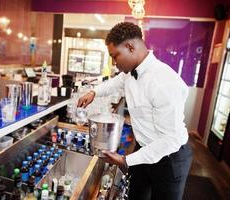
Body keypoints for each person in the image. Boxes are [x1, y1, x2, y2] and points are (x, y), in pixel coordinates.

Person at [77, 22, 192, 200]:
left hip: (169, 158)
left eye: (115, 56)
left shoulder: (163, 82)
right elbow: (116, 83)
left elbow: (171, 139)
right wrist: (94, 92)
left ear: (130, 47)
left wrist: (125, 160)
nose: (115, 64)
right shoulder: (130, 72)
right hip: (143, 149)